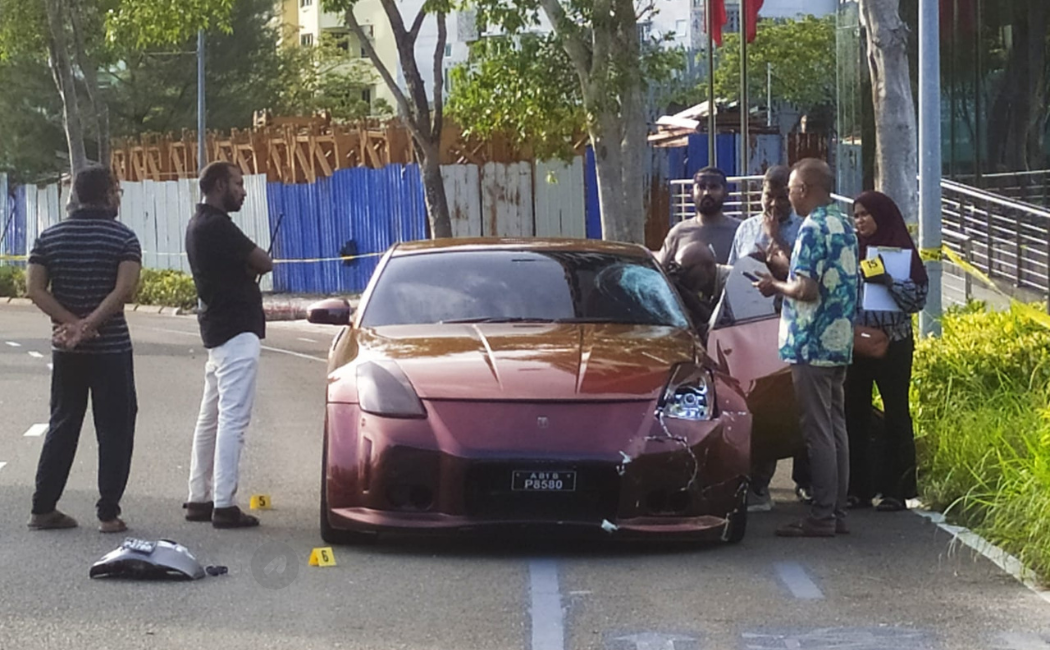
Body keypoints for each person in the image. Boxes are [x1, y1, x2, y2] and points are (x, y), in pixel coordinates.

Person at [25, 166, 141, 534]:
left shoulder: (49, 237)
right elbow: (124, 290)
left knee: (63, 422)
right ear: (108, 194)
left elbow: (35, 288)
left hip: (67, 349)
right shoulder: (123, 238)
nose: (118, 197)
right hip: (111, 349)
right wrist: (89, 325)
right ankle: (108, 514)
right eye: (117, 191)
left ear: (75, 195)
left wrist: (71, 324)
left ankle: (43, 508)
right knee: (115, 427)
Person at [754, 158, 859, 537]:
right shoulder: (843, 225)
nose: (790, 197)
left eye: (792, 190)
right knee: (836, 427)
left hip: (811, 342)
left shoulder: (813, 228)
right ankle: (838, 511)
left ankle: (822, 515)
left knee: (817, 432)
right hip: (839, 340)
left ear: (805, 189)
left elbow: (806, 289)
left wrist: (774, 286)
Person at [184, 162, 273, 529]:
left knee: (210, 417)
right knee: (233, 419)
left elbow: (231, 270)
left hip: (217, 330)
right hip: (237, 330)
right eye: (238, 183)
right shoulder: (219, 225)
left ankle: (199, 497)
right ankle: (224, 504)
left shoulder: (196, 225)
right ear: (220, 185)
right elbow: (264, 261)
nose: (243, 191)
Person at [727, 165, 811, 512]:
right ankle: (755, 483)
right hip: (748, 330)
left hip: (788, 327)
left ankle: (801, 481)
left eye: (781, 197)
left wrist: (775, 238)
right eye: (768, 196)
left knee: (788, 407)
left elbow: (800, 277)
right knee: (755, 406)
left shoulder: (805, 228)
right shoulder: (746, 228)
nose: (774, 204)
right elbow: (732, 274)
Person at [846, 191, 928, 512]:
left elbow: (918, 299)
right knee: (854, 413)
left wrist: (888, 280)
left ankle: (897, 490)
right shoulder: (850, 250)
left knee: (896, 413)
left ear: (881, 216)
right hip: (857, 344)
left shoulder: (900, 249)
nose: (860, 221)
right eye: (856, 215)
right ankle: (858, 489)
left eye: (865, 214)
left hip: (894, 343)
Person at [658, 167, 741, 266]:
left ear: (725, 193)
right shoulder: (678, 232)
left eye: (714, 187)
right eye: (701, 187)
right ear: (692, 193)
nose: (707, 193)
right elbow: (659, 271)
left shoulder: (739, 231)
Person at [663, 241, 728, 341]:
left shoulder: (732, 284)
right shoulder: (705, 283)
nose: (681, 276)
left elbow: (719, 325)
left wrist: (688, 298)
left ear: (707, 267)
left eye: (685, 270)